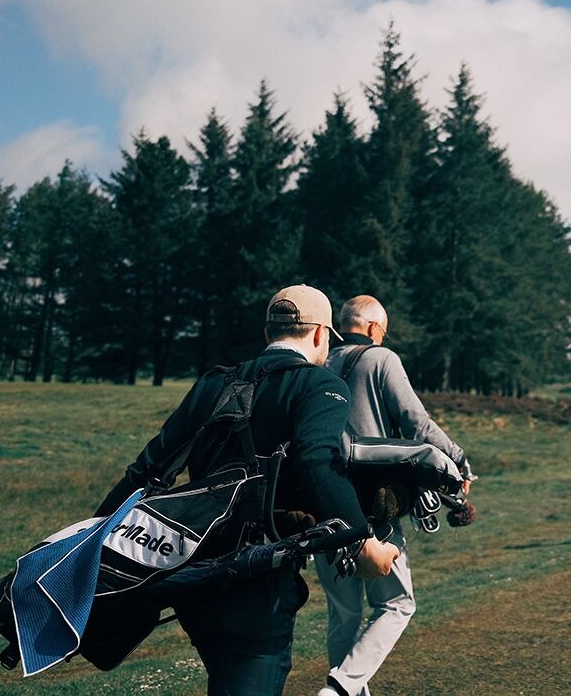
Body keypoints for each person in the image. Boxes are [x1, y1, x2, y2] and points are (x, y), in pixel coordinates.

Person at [95, 284, 399, 695]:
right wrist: (363, 543)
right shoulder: (318, 385)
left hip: (194, 578)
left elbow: (148, 471)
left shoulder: (214, 383)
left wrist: (92, 541)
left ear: (268, 333)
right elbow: (315, 460)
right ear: (318, 335)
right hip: (258, 580)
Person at [316, 295, 474, 696]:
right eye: (382, 331)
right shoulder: (381, 358)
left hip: (322, 503)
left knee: (344, 614)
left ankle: (342, 689)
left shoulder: (319, 362)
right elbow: (416, 422)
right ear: (372, 329)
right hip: (374, 507)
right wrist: (457, 461)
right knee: (397, 604)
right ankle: (340, 687)